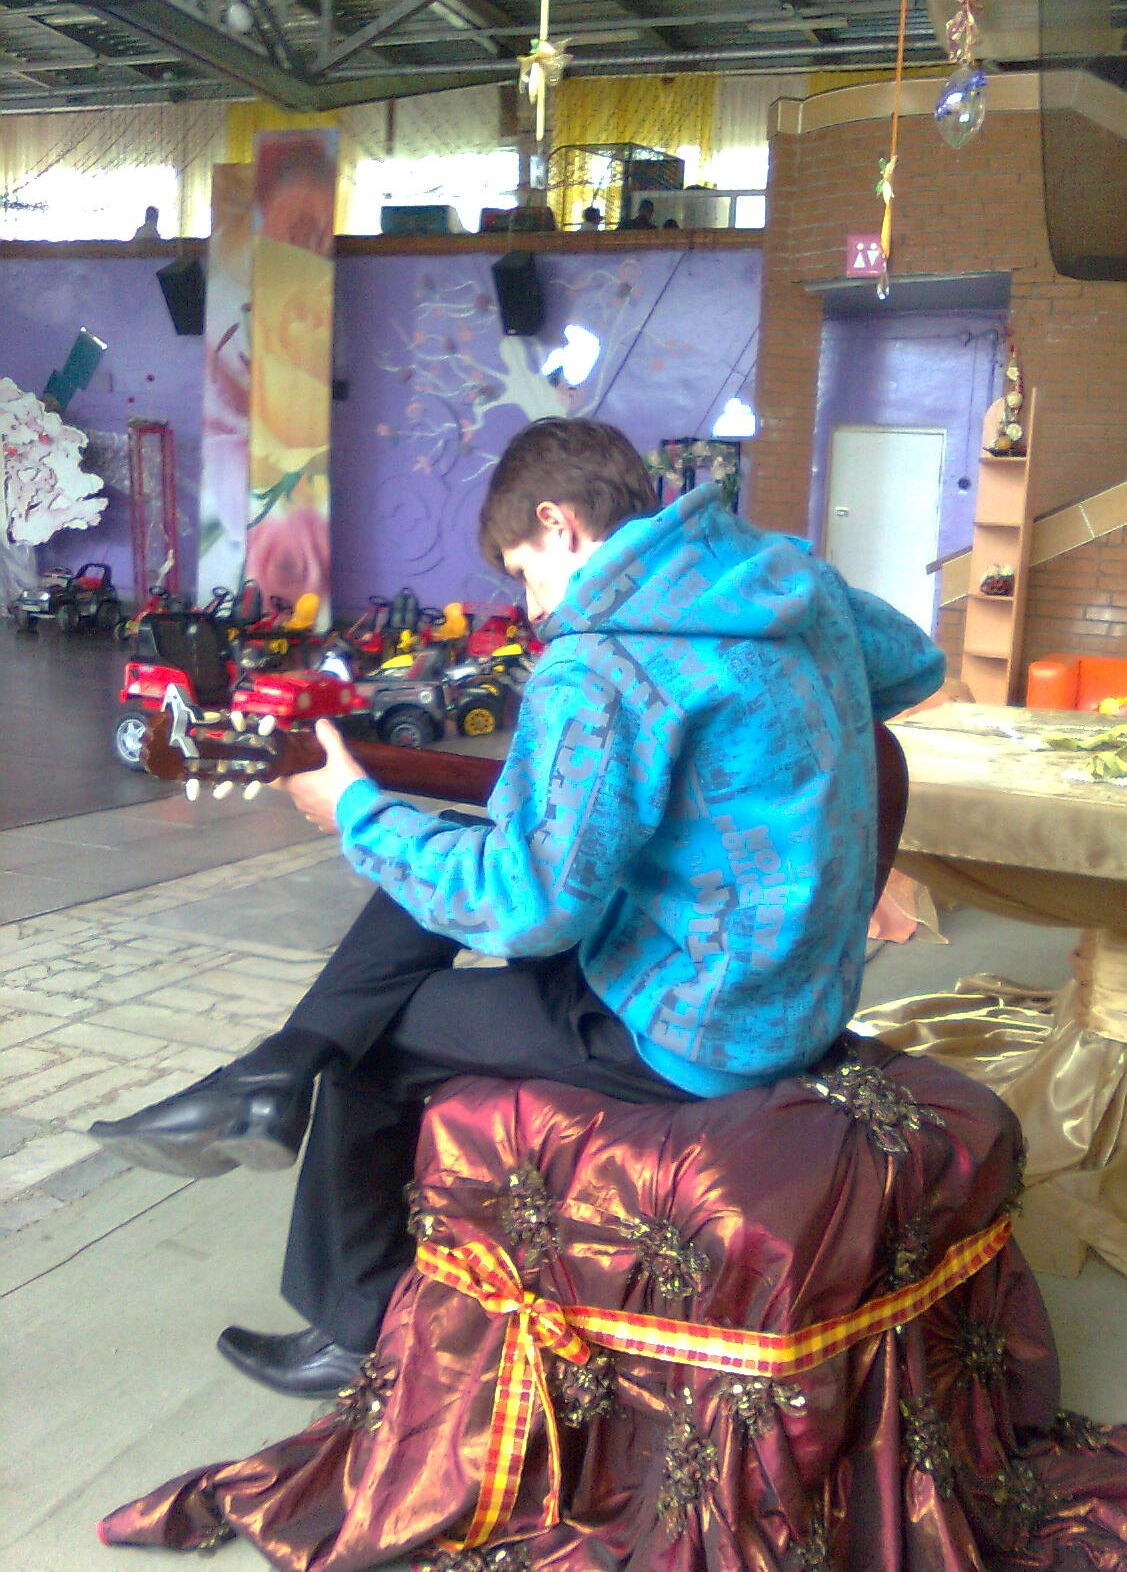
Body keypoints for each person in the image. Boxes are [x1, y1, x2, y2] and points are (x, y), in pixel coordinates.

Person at [90, 417, 945, 1397]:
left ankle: (350, 1317)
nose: (534, 609)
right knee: (454, 860)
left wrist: (356, 813)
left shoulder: (602, 660)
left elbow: (529, 909)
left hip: (700, 1023)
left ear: (558, 523)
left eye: (525, 572)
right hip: (792, 976)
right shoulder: (786, 581)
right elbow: (913, 665)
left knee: (381, 1034)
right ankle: (273, 1072)